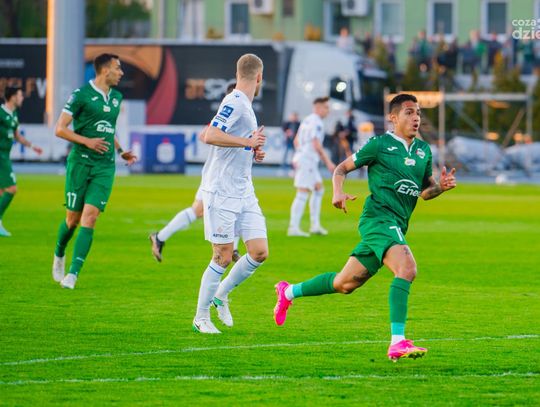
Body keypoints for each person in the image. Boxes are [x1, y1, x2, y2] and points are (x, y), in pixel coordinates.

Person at [274, 94, 457, 361]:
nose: (416, 117)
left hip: (397, 224)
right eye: (409, 112)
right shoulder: (379, 145)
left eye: (418, 112)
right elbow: (341, 168)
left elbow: (425, 192)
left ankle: (288, 291)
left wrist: (441, 187)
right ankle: (397, 342)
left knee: (345, 283)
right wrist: (338, 192)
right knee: (407, 268)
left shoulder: (423, 151)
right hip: (378, 219)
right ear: (393, 118)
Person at [193, 53, 268, 334]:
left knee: (259, 252)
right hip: (222, 190)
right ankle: (201, 317)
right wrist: (246, 142)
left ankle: (221, 295)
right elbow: (210, 135)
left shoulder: (245, 105)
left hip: (243, 188)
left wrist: (252, 150)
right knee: (222, 256)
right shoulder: (235, 100)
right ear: (259, 77)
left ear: (238, 74)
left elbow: (226, 140)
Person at [52, 53, 137, 289]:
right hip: (80, 164)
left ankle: (73, 274)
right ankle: (59, 252)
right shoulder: (81, 95)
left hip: (104, 167)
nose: (121, 73)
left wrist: (120, 150)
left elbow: (109, 129)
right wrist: (87, 141)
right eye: (118, 68)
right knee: (72, 220)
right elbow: (60, 129)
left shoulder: (117, 97)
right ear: (105, 70)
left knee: (90, 217)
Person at [149, 83, 241, 263]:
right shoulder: (229, 114)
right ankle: (159, 237)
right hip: (217, 175)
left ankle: (160, 237)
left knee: (205, 210)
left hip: (224, 175)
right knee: (223, 208)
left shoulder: (240, 114)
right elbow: (204, 135)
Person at [288, 97, 335, 237]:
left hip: (305, 159)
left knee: (319, 189)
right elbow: (316, 144)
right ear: (318, 108)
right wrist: (328, 162)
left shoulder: (307, 120)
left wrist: (299, 153)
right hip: (307, 161)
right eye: (326, 107)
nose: (328, 110)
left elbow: (296, 140)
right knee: (303, 191)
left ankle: (315, 225)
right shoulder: (317, 122)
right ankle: (293, 227)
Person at [0, 86, 43, 236]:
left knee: (1, 192)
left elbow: (17, 135)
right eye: (20, 95)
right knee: (12, 189)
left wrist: (32, 146)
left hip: (5, 156)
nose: (22, 98)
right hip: (0, 157)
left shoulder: (14, 114)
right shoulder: (1, 113)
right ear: (12, 97)